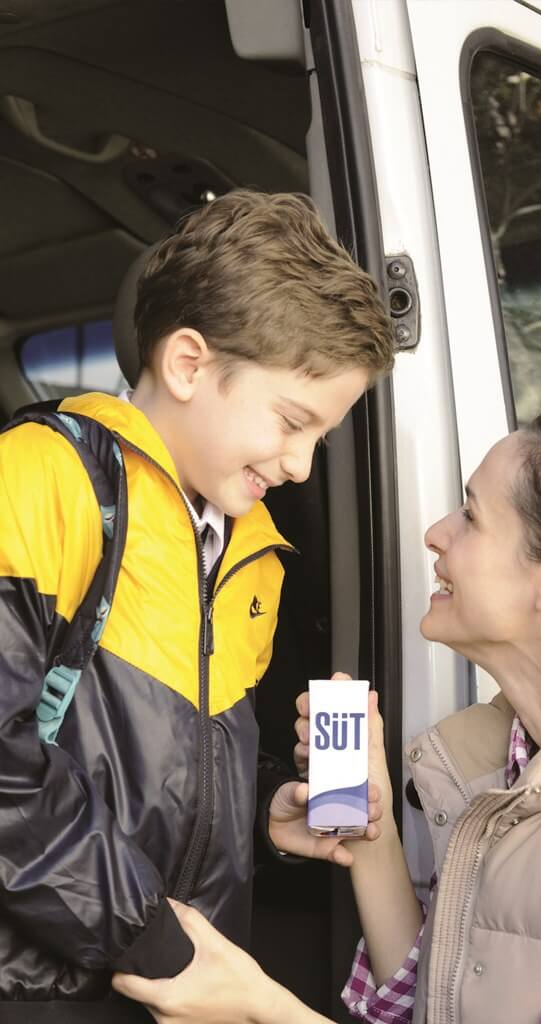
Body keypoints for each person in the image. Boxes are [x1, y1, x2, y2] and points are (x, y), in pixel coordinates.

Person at [114, 412, 541, 1024]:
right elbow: (426, 1006)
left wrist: (257, 1008)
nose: (436, 532)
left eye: (471, 516)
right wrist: (373, 828)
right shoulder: (520, 761)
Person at [0, 189, 394, 1021]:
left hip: (181, 988)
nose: (300, 466)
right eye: (292, 422)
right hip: (44, 990)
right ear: (187, 365)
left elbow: (167, 768)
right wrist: (158, 945)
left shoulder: (252, 553)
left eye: (320, 438)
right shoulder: (39, 482)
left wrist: (260, 813)